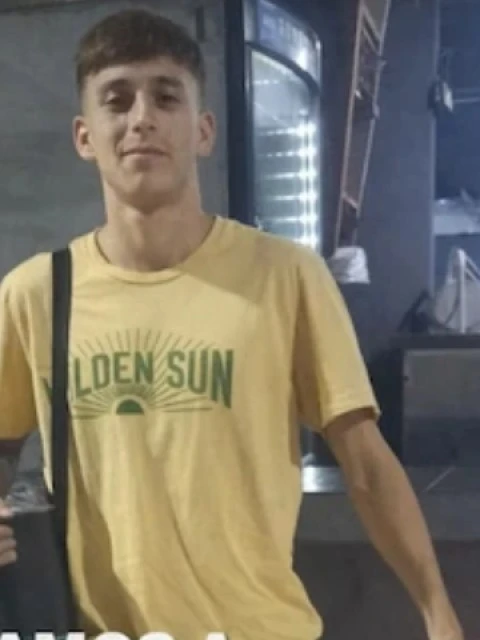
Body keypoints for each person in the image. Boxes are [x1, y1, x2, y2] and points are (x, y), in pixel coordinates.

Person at [0, 9, 463, 640]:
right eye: (117, 99)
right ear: (85, 136)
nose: (142, 118)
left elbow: (366, 464)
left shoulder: (286, 276)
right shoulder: (36, 294)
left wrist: (438, 611)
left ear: (204, 131)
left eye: (167, 97)